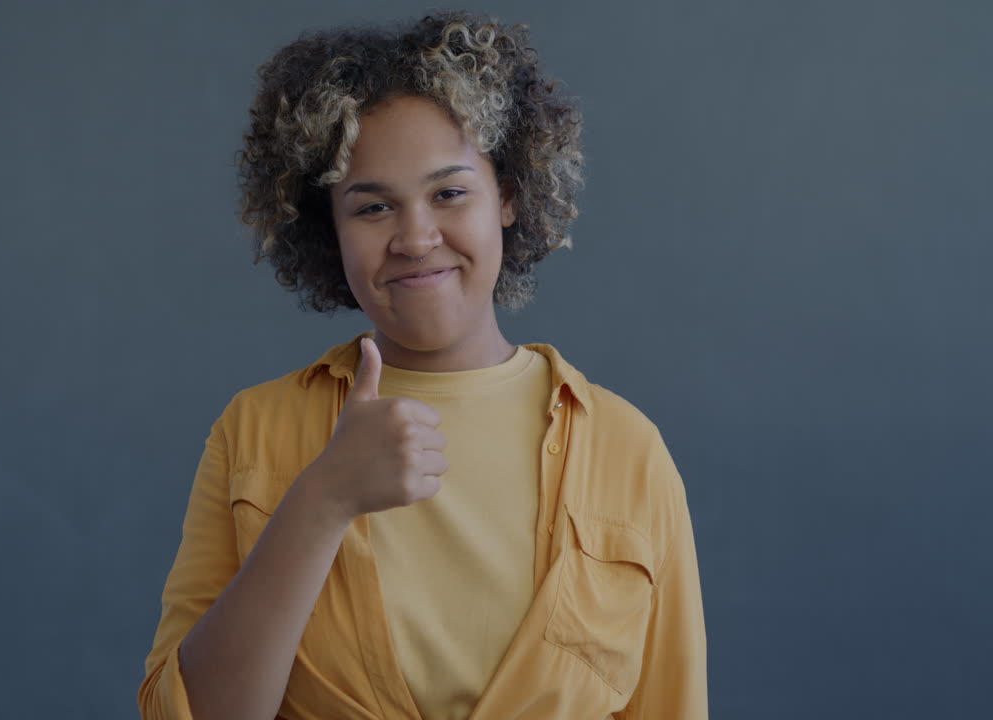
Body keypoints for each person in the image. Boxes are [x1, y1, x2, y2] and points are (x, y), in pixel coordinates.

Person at [138, 10, 706, 720]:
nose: (415, 237)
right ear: (330, 229)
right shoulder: (255, 432)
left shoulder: (628, 453)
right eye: (372, 207)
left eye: (449, 193)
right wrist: (323, 501)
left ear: (507, 195)